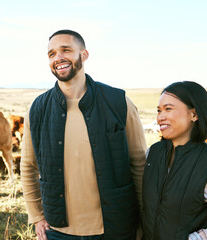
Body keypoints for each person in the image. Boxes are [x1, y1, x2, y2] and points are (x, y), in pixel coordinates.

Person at [21, 29, 147, 240]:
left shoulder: (119, 103)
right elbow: (28, 166)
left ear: (84, 55)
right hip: (59, 232)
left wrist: (144, 218)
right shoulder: (37, 110)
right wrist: (37, 216)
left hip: (116, 229)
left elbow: (139, 164)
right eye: (51, 54)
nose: (58, 57)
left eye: (66, 50)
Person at [142, 81, 207, 239]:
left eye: (168, 109)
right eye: (158, 111)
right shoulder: (152, 154)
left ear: (194, 114)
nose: (160, 117)